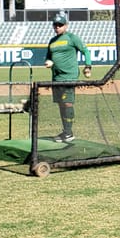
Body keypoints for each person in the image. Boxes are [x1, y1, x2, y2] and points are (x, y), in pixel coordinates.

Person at [44, 11, 91, 143]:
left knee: (67, 103)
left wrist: (88, 66)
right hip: (56, 78)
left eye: (60, 25)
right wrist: (48, 61)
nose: (57, 27)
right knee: (61, 105)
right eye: (55, 25)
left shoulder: (72, 38)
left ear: (66, 26)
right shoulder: (52, 41)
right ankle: (65, 131)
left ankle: (69, 133)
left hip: (69, 77)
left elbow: (85, 51)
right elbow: (48, 56)